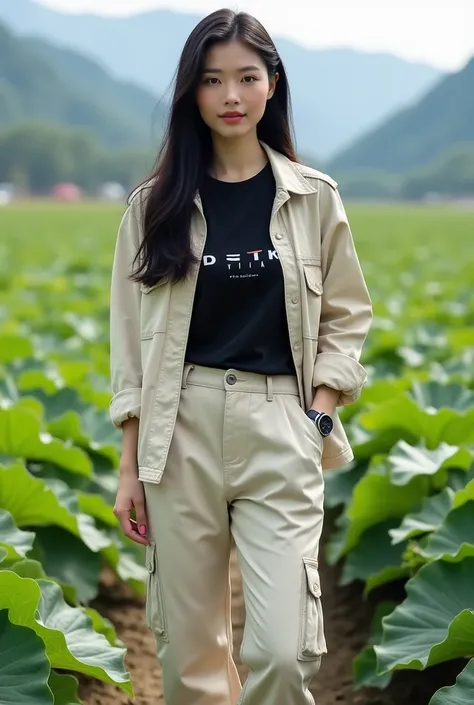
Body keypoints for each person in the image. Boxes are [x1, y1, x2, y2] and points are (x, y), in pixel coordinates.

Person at [109, 8, 372, 705]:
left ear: (272, 84)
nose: (230, 95)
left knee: (282, 652)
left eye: (246, 78)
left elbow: (348, 316)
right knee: (191, 659)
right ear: (190, 93)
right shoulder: (152, 207)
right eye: (211, 79)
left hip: (280, 424)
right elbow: (129, 348)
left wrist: (317, 415)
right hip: (179, 429)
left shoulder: (315, 199)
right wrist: (130, 465)